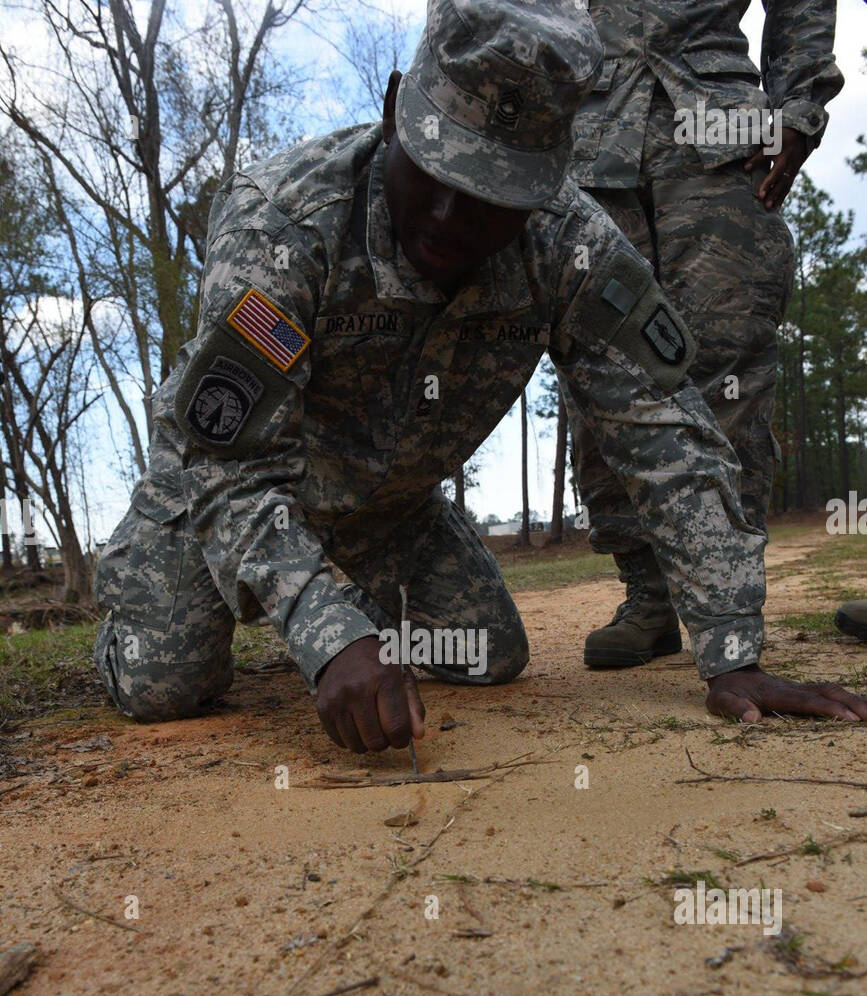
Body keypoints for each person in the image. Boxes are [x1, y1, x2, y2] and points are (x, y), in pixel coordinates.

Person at [93, 0, 867, 752]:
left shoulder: (569, 246)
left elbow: (665, 435)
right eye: (434, 175)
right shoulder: (283, 226)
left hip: (385, 511)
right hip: (223, 495)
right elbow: (231, 468)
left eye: (492, 200)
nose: (446, 221)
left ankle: (345, 594)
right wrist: (331, 638)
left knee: (487, 654)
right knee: (164, 686)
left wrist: (732, 654)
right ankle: (168, 578)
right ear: (396, 104)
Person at [569, 0, 844, 669]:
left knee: (729, 363)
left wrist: (799, 106)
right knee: (599, 366)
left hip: (722, 137)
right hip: (591, 147)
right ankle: (648, 597)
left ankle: (729, 596)